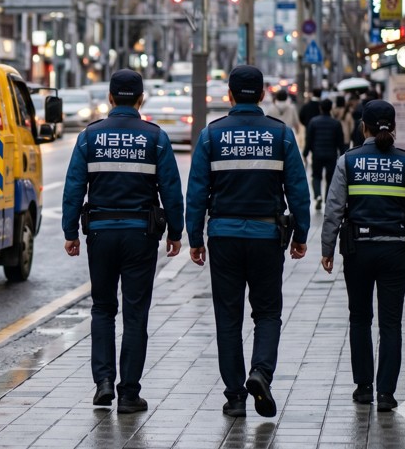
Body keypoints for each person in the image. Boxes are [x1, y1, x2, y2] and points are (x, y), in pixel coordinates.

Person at [186, 65, 311, 419]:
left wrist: (195, 238)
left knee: (228, 317)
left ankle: (235, 397)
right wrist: (300, 235)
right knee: (267, 312)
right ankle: (261, 372)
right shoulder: (280, 135)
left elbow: (197, 192)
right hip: (266, 236)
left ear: (229, 95)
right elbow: (298, 191)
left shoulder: (212, 136)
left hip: (223, 237)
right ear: (262, 95)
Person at [62, 69, 185, 414]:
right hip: (140, 236)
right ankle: (129, 394)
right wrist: (176, 232)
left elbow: (74, 188)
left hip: (99, 233)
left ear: (111, 99)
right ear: (141, 99)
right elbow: (171, 190)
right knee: (135, 314)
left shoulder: (90, 137)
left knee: (102, 308)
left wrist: (70, 232)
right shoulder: (155, 138)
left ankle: (103, 382)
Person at [320, 100, 405, 412]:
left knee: (359, 318)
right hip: (395, 250)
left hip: (358, 250)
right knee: (391, 323)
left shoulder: (349, 161)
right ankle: (386, 393)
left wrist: (327, 248)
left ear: (364, 127)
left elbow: (334, 209)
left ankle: (363, 388)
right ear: (393, 127)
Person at [303, 99, 346, 211]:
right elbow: (340, 142)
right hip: (331, 155)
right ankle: (327, 199)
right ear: (331, 108)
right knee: (330, 178)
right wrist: (342, 155)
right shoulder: (336, 123)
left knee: (316, 176)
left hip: (317, 154)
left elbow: (309, 139)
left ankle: (318, 195)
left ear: (320, 108)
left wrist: (305, 153)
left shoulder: (313, 122)